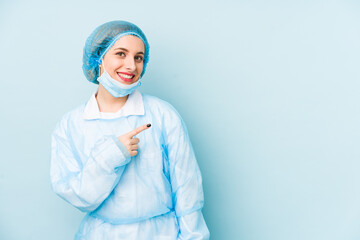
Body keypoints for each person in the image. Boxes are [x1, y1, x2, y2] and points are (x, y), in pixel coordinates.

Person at [50, 20, 210, 240]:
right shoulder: (72, 125)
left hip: (161, 234)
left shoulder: (162, 115)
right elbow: (80, 197)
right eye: (121, 54)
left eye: (139, 57)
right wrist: (109, 156)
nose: (132, 66)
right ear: (98, 58)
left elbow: (188, 189)